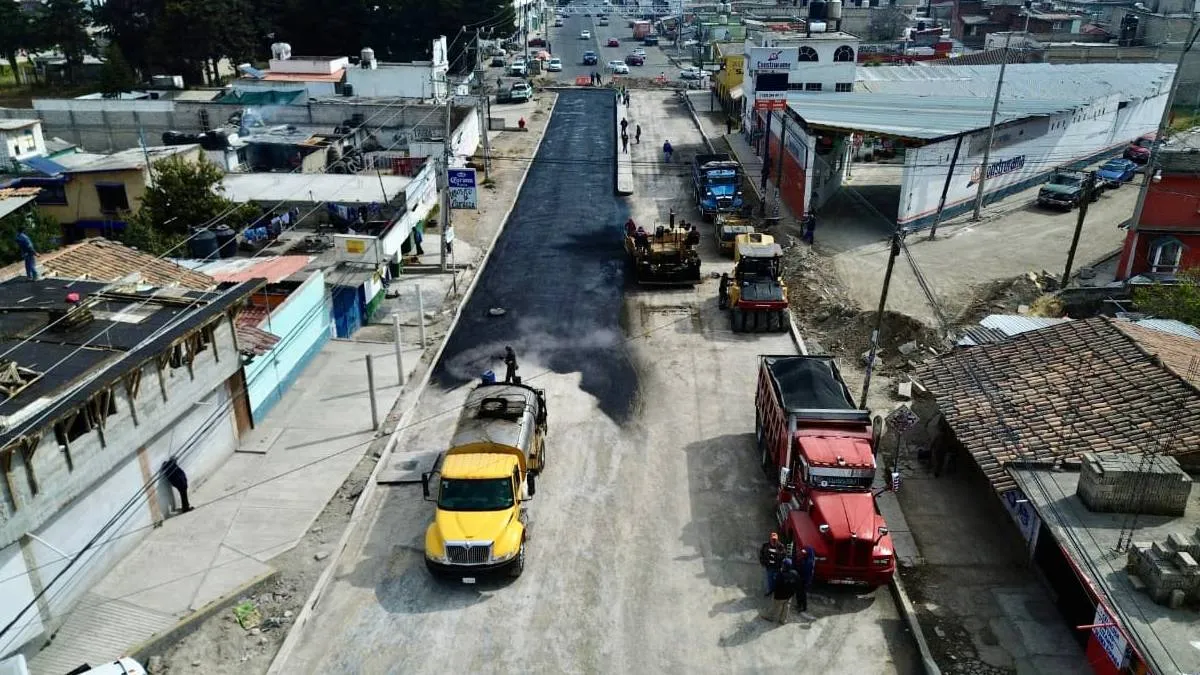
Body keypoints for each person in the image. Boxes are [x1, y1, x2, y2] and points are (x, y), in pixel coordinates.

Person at [763, 558, 799, 623]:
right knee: (786, 607)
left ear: (784, 566)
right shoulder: (795, 573)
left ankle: (770, 617)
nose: (782, 565)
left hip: (780, 596)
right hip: (789, 595)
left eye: (783, 564)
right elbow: (797, 584)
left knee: (775, 607)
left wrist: (772, 593)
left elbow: (776, 586)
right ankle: (783, 620)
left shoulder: (780, 574)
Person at [795, 545, 817, 620]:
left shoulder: (809, 562)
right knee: (800, 593)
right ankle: (799, 605)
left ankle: (803, 607)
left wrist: (799, 564)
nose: (804, 553)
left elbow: (804, 570)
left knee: (802, 594)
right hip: (804, 579)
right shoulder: (809, 559)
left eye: (805, 552)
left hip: (804, 580)